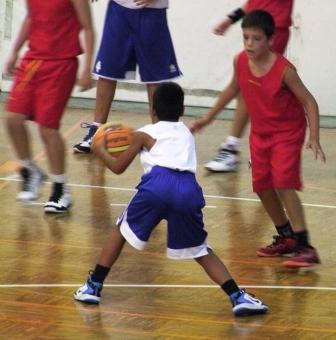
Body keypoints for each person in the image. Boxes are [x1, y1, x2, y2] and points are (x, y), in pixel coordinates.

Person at [73, 82, 268, 317]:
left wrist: (99, 147)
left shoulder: (143, 134)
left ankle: (93, 286)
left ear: (152, 109)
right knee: (200, 249)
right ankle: (237, 296)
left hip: (157, 185)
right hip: (187, 189)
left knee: (120, 231)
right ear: (182, 110)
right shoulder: (185, 132)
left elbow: (117, 167)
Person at [191, 10, 326, 267]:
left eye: (257, 39)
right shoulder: (240, 61)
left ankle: (305, 245)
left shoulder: (284, 70)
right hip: (260, 133)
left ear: (271, 40)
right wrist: (207, 119)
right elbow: (232, 88)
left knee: (283, 183)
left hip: (287, 133)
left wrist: (314, 137)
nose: (250, 44)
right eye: (246, 38)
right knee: (263, 186)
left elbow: (309, 101)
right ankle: (286, 237)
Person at [5, 0, 94, 213]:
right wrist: (14, 51)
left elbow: (88, 28)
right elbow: (30, 17)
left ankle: (60, 188)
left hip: (61, 63)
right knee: (12, 118)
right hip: (33, 60)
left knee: (47, 128)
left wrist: (87, 68)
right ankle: (30, 170)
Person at [73, 0, 182, 154]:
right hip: (118, 8)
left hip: (152, 11)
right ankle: (97, 131)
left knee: (154, 78)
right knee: (107, 71)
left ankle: (159, 134)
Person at [206, 0, 294, 172]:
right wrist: (231, 19)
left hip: (273, 28)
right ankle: (248, 149)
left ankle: (260, 150)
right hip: (256, 28)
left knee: (254, 89)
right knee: (248, 88)